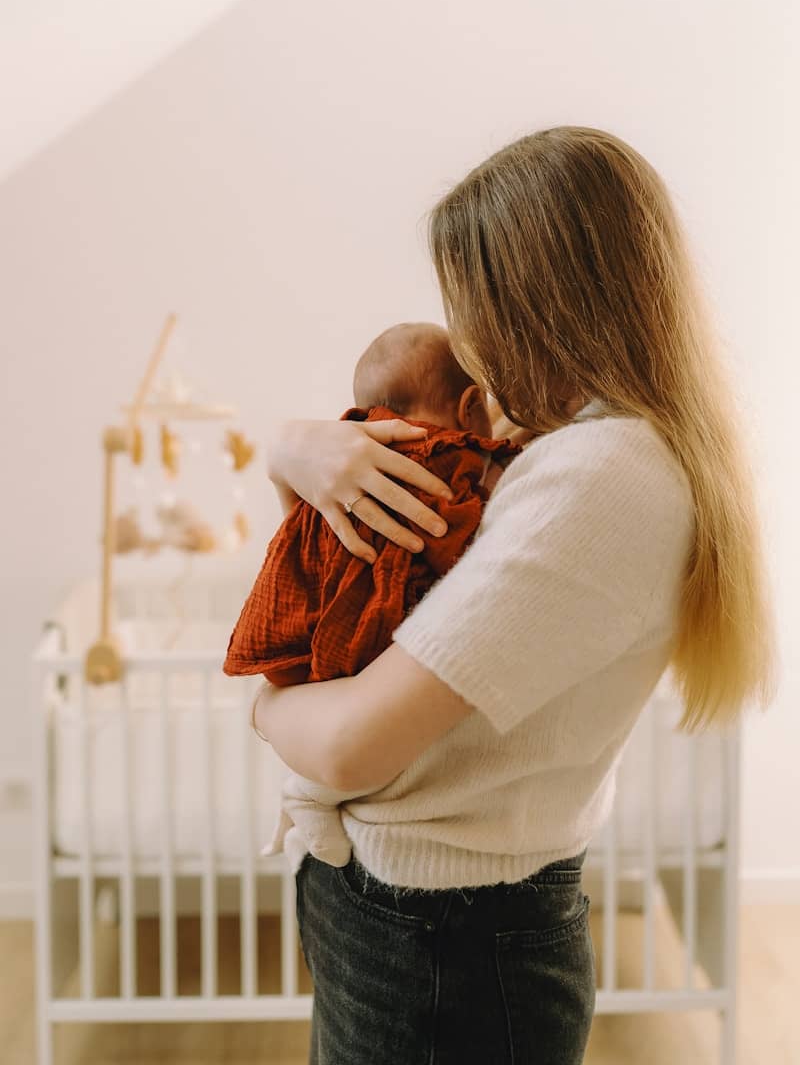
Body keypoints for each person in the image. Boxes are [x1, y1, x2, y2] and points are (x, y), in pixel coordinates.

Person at [250, 126, 777, 1065]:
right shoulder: (563, 453)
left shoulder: (604, 473)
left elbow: (348, 740)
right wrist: (295, 447)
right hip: (414, 916)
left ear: (532, 305)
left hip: (443, 935)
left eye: (474, 307)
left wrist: (267, 699)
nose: (473, 350)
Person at [224, 321, 520, 866]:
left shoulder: (343, 451)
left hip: (322, 621)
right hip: (383, 624)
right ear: (469, 404)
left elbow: (301, 530)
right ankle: (309, 795)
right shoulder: (454, 456)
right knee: (383, 740)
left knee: (348, 711)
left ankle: (305, 792)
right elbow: (454, 527)